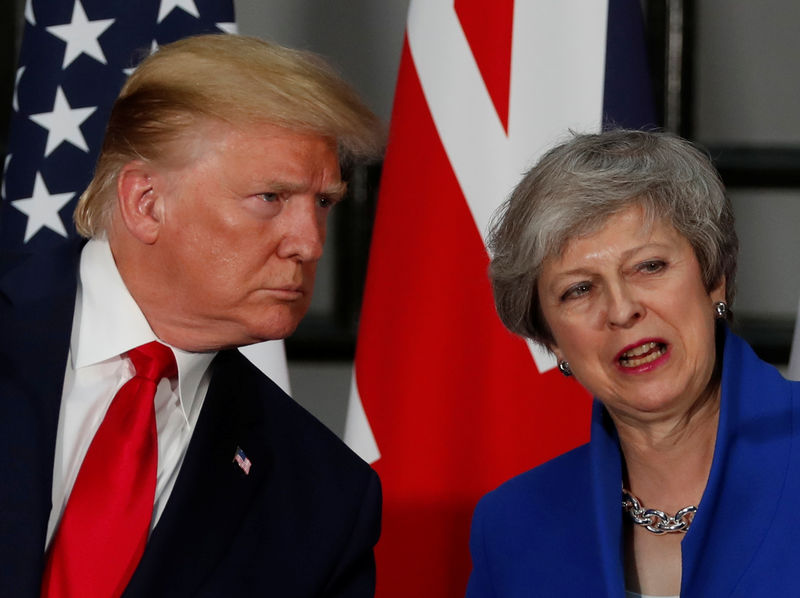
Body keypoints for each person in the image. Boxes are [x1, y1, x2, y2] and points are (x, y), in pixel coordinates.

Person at [0, 34, 384, 597]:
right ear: (146, 202)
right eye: (271, 197)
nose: (309, 244)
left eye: (323, 203)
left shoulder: (324, 497)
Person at [465, 129, 800, 597]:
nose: (622, 310)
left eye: (649, 266)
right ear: (552, 341)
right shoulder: (514, 528)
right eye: (578, 289)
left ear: (715, 280)